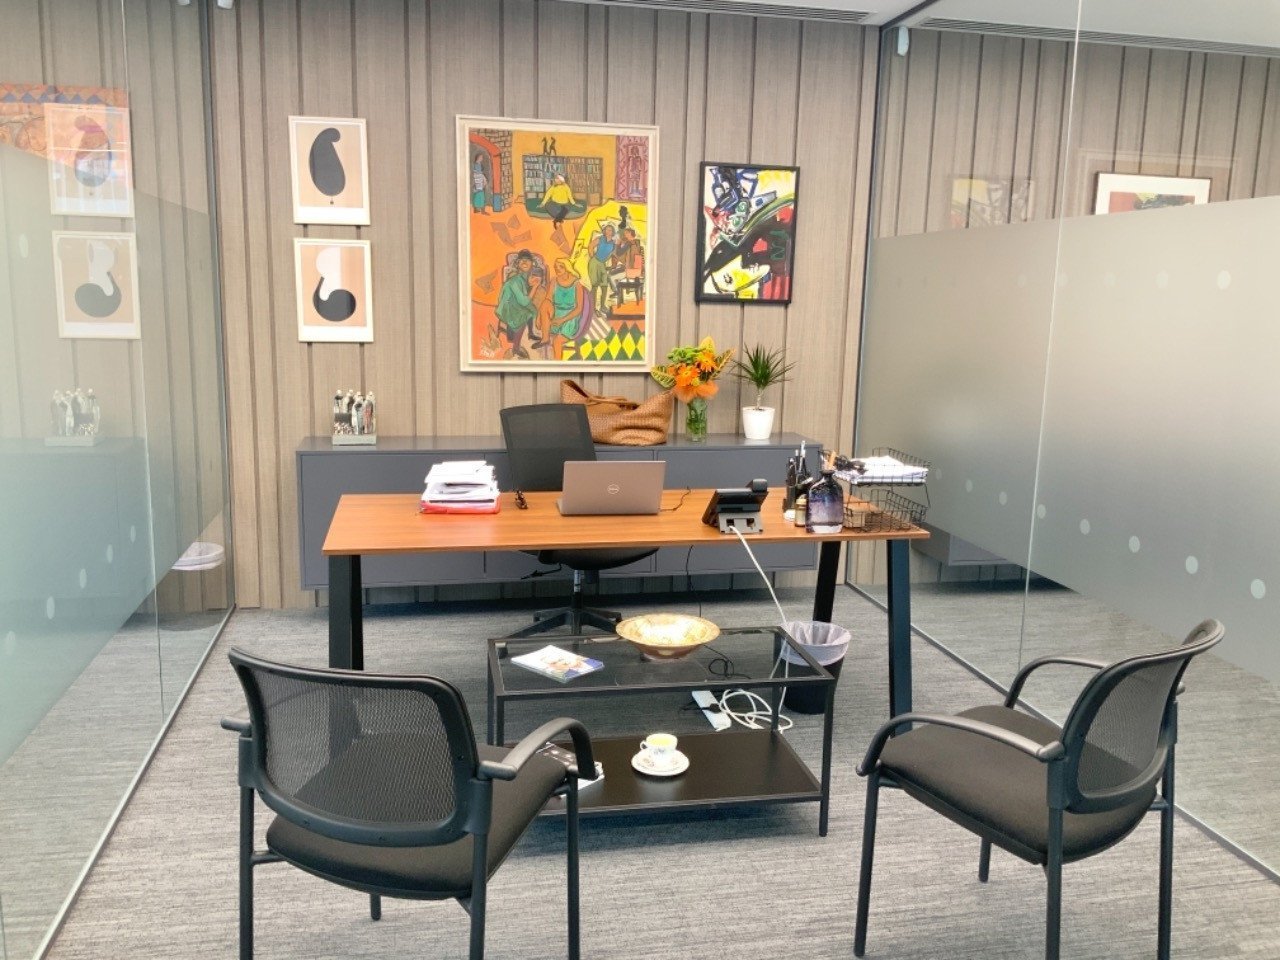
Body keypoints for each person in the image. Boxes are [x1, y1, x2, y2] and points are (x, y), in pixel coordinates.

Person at [494, 250, 542, 358]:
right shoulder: (515, 279)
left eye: (527, 260)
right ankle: (516, 349)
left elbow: (524, 296)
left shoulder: (524, 277)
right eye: (522, 260)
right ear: (517, 263)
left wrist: (531, 285)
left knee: (533, 310)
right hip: (508, 309)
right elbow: (524, 301)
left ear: (532, 264)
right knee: (525, 312)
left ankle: (531, 333)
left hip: (514, 304)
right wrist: (535, 287)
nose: (524, 262)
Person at [587, 223, 617, 315]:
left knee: (604, 286)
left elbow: (613, 255)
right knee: (595, 286)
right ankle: (593, 308)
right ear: (604, 231)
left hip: (602, 264)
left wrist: (613, 266)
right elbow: (590, 246)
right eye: (606, 230)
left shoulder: (613, 244)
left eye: (610, 230)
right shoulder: (600, 239)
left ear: (613, 232)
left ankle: (602, 306)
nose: (608, 231)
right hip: (594, 262)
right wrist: (592, 258)